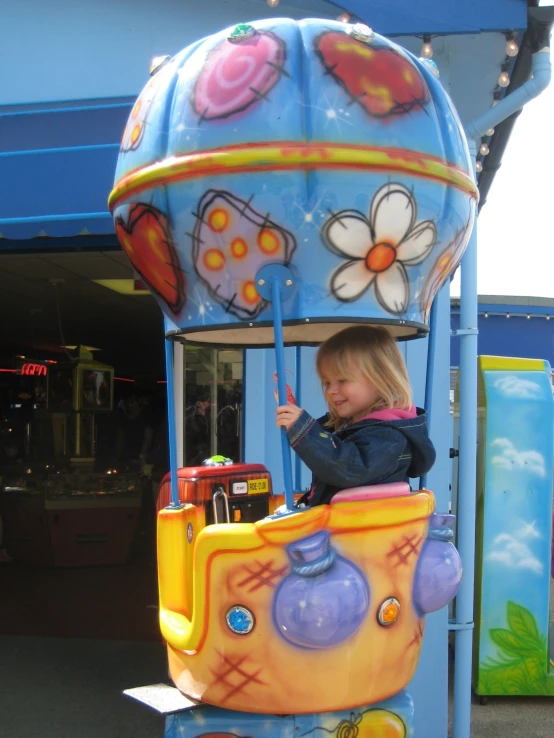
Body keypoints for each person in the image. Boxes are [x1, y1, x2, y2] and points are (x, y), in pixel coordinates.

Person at [276, 325, 436, 506]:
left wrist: (303, 428)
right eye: (326, 382)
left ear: (381, 378)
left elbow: (347, 469)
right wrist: (297, 420)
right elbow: (324, 439)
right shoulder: (358, 425)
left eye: (342, 380)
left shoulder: (389, 436)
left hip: (364, 530)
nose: (331, 391)